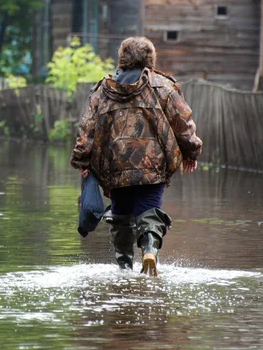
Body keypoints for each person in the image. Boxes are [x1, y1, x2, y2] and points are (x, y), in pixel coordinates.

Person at [70, 37, 203, 276]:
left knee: (121, 212)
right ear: (150, 58)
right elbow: (182, 122)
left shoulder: (102, 90)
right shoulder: (163, 86)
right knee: (149, 207)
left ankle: (123, 265)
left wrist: (82, 159)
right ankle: (150, 249)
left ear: (122, 58)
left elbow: (86, 128)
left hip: (114, 165)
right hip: (153, 164)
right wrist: (190, 151)